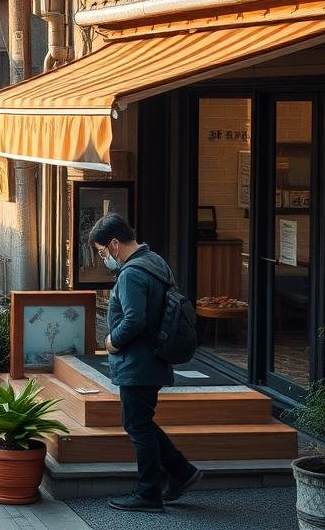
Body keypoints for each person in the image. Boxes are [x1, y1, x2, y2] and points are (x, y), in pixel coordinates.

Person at [90, 213, 202, 513]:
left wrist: (112, 340)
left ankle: (148, 492)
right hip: (153, 359)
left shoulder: (131, 273)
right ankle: (180, 471)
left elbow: (134, 319)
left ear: (114, 244)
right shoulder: (155, 261)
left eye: (103, 252)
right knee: (141, 422)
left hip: (138, 363)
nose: (104, 258)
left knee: (137, 426)